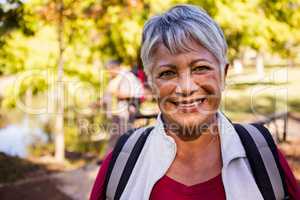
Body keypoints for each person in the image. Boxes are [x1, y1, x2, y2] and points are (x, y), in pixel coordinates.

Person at [90, 4, 300, 200]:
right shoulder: (122, 165)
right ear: (152, 84)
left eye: (200, 68)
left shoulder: (263, 157)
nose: (186, 87)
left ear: (223, 74)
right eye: (168, 73)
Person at [102, 60, 143, 152]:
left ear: (116, 68)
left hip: (125, 112)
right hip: (116, 113)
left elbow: (134, 93)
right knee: (115, 136)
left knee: (124, 136)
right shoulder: (114, 79)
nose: (109, 73)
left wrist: (115, 93)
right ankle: (110, 158)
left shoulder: (127, 76)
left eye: (109, 70)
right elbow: (107, 96)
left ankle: (122, 158)